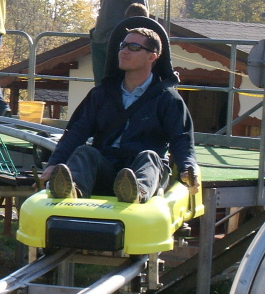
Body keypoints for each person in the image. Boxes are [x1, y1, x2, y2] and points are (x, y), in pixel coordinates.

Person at [40, 16, 198, 203]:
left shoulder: (168, 99)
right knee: (85, 152)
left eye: (134, 47)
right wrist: (54, 164)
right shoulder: (101, 94)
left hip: (145, 172)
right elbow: (76, 132)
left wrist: (188, 169)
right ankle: (72, 190)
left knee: (149, 157)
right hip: (106, 169)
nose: (124, 51)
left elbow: (182, 140)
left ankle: (136, 192)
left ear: (152, 57)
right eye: (123, 46)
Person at [91, 0, 147, 85]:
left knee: (117, 83)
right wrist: (95, 32)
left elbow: (141, 14)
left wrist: (131, 38)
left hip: (119, 41)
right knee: (100, 85)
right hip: (98, 40)